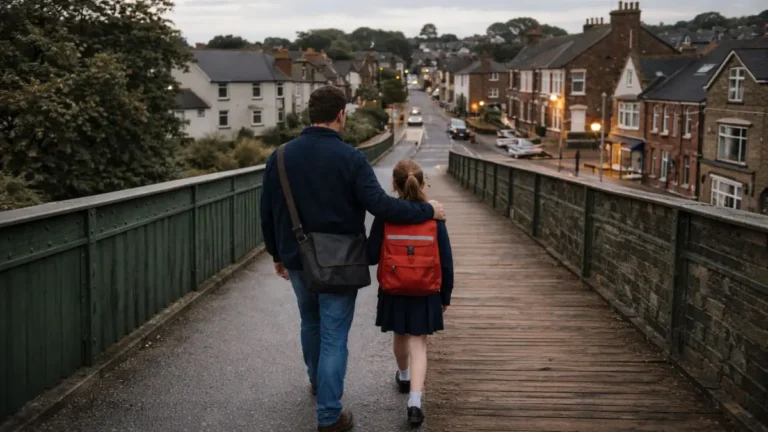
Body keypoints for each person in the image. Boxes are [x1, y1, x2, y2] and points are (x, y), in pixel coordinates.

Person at [259, 85, 447, 432]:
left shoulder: (280, 157)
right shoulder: (351, 158)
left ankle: (319, 382)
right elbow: (381, 206)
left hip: (298, 257)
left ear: (310, 116)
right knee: (333, 334)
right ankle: (329, 414)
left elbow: (267, 212)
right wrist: (426, 210)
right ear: (340, 115)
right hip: (341, 262)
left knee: (310, 322)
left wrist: (277, 254)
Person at [366, 160, 454, 427]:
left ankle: (403, 376)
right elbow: (446, 261)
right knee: (419, 344)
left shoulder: (385, 216)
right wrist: (445, 295)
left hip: (394, 286)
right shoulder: (434, 217)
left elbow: (371, 255)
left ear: (394, 184)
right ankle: (415, 402)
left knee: (400, 335)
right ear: (423, 182)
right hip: (425, 288)